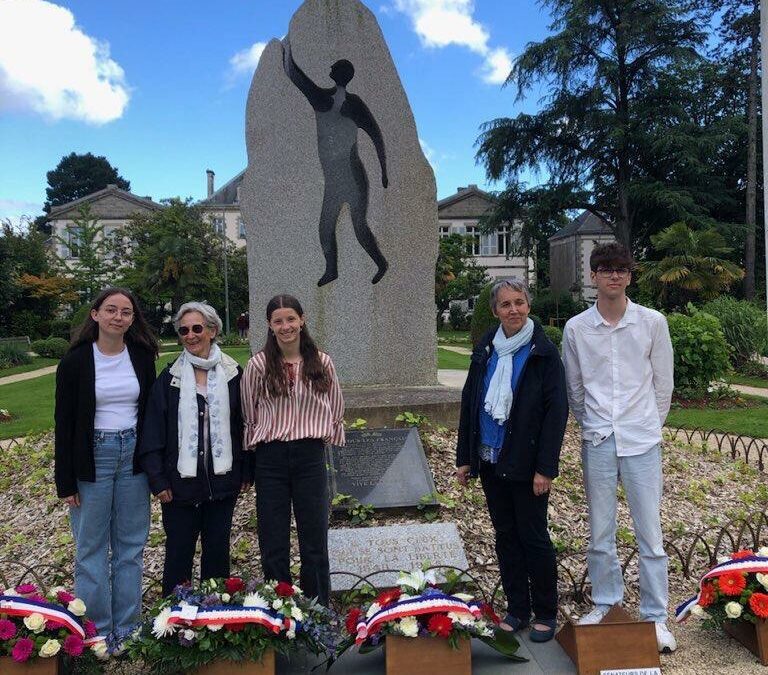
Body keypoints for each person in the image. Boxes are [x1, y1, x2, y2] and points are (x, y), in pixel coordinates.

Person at [562, 242, 676, 653]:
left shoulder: (652, 323)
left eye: (621, 269)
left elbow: (663, 385)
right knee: (600, 530)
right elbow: (574, 388)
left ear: (630, 275)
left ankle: (655, 616)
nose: (614, 275)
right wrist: (592, 424)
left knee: (650, 532)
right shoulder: (576, 328)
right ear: (593, 276)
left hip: (642, 440)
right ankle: (606, 602)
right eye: (606, 269)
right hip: (598, 440)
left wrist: (645, 424)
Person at [456, 278, 568, 643]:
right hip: (490, 459)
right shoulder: (486, 348)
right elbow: (470, 401)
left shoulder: (543, 352)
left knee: (533, 537)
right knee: (506, 536)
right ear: (495, 311)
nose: (514, 310)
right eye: (506, 304)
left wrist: (545, 468)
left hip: (526, 462)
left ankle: (546, 612)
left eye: (519, 302)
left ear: (528, 306)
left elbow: (556, 413)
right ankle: (518, 608)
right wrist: (465, 457)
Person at [54, 287, 158, 640]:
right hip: (92, 456)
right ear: (95, 314)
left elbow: (150, 413)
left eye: (126, 312)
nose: (118, 317)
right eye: (111, 310)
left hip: (133, 456)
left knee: (130, 547)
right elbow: (64, 422)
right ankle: (97, 631)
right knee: (91, 548)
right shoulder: (76, 361)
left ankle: (128, 630)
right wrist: (65, 481)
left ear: (133, 319)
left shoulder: (142, 356)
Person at [138, 302, 251, 596]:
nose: (190, 335)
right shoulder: (169, 378)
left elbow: (245, 425)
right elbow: (152, 432)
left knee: (217, 556)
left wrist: (245, 470)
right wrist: (157, 480)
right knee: (178, 557)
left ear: (212, 331)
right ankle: (175, 623)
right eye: (184, 330)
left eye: (197, 328)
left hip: (222, 484)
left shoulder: (233, 375)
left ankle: (215, 623)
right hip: (178, 488)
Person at [241, 294, 345, 605]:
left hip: (309, 456)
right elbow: (250, 412)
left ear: (302, 320)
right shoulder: (258, 365)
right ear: (270, 326)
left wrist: (324, 433)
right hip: (271, 458)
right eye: (278, 321)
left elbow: (336, 406)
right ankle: (280, 609)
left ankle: (317, 609)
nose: (285, 326)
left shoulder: (322, 362)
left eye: (291, 319)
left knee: (314, 538)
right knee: (273, 540)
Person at [282, 39, 389, 286]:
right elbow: (298, 79)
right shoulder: (321, 98)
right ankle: (332, 269)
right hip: (333, 179)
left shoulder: (353, 104)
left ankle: (381, 264)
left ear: (338, 74)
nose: (329, 70)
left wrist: (384, 170)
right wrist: (286, 52)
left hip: (353, 176)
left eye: (333, 68)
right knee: (325, 226)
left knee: (359, 226)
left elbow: (376, 135)